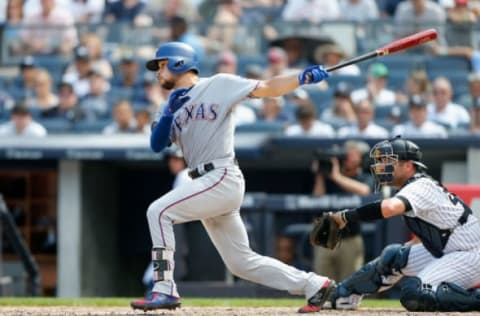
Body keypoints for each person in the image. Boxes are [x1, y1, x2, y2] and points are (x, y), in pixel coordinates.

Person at [130, 41, 334, 313]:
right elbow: (157, 145)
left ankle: (164, 288)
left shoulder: (219, 84)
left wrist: (301, 78)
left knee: (158, 211)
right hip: (203, 181)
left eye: (162, 64)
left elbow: (269, 88)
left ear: (180, 62)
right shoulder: (168, 105)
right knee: (241, 263)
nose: (157, 71)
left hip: (221, 174)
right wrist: (168, 113)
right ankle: (314, 284)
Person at [325, 136, 480, 312]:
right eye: (382, 161)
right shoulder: (412, 187)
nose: (382, 166)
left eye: (389, 161)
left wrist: (344, 217)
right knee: (394, 257)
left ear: (408, 165)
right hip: (449, 248)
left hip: (470, 254)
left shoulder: (420, 186)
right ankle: (343, 294)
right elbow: (434, 231)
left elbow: (390, 207)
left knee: (416, 293)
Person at [311, 140, 373, 282]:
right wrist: (320, 174)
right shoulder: (330, 177)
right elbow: (316, 199)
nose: (347, 157)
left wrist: (337, 176)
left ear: (360, 158)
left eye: (352, 154)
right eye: (347, 153)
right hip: (325, 237)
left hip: (350, 238)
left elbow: (365, 191)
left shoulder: (365, 177)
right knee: (322, 282)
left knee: (350, 282)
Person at [142, 145, 191, 291]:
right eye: (171, 159)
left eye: (176, 159)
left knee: (155, 275)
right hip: (177, 228)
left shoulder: (185, 175)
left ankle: (160, 294)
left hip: (178, 227)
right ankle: (160, 294)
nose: (172, 163)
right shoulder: (184, 176)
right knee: (152, 274)